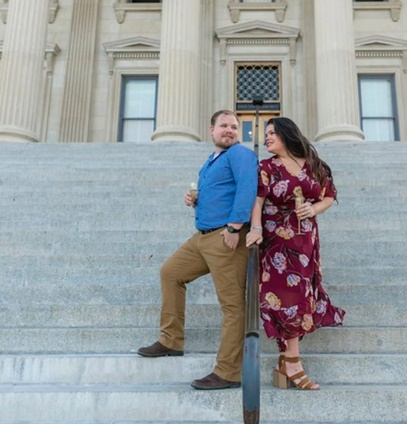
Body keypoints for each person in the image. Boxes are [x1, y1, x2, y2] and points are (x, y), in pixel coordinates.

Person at [137, 110, 258, 390]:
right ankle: (171, 340)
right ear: (211, 129)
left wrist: (234, 227)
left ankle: (228, 372)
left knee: (232, 305)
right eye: (224, 126)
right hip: (201, 237)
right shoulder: (211, 161)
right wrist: (196, 198)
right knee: (170, 273)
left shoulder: (240, 155)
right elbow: (221, 190)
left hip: (224, 237)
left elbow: (247, 188)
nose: (229, 130)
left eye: (234, 126)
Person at [245, 116, 344, 390]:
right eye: (265, 134)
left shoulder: (314, 165)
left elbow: (327, 196)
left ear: (287, 135)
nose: (266, 138)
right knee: (287, 299)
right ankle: (293, 363)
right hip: (277, 241)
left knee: (302, 297)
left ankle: (284, 363)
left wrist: (313, 209)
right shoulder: (266, 167)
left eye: (272, 133)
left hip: (306, 241)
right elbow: (258, 200)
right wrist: (255, 228)